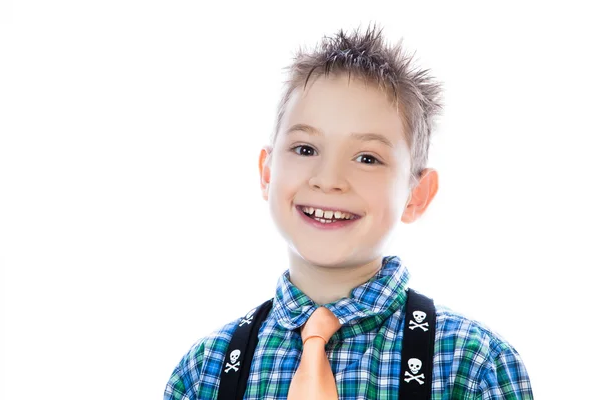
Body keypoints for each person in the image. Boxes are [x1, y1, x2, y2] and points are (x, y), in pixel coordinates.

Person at [163, 23, 533, 399]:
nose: (329, 179)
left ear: (416, 194)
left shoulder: (474, 365)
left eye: (367, 158)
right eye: (305, 149)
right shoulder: (203, 370)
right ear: (267, 172)